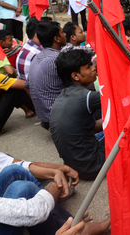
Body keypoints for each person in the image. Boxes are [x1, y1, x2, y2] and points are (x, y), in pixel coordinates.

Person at [0, 100, 110, 234]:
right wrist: (53, 189)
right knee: (25, 190)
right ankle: (66, 227)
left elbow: (2, 170)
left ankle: (70, 224)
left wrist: (54, 172)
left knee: (15, 173)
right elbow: (31, 212)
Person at [51, 49, 104, 180]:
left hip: (73, 167)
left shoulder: (62, 97)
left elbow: (92, 127)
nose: (93, 68)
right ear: (75, 76)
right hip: (94, 166)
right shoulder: (86, 97)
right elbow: (121, 99)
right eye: (88, 67)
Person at [26, 21, 67, 130]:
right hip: (59, 118)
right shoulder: (57, 59)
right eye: (62, 33)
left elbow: (27, 86)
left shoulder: (37, 57)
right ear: (57, 39)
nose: (65, 35)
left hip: (44, 117)